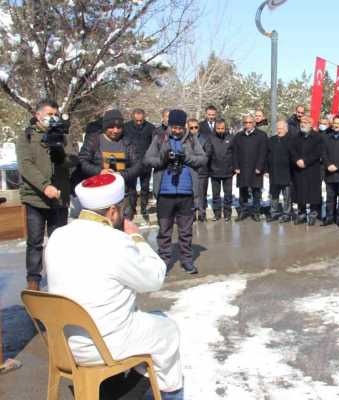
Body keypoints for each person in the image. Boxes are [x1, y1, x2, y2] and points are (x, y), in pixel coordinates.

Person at [45, 173, 183, 399]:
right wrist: (136, 238)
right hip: (104, 345)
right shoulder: (116, 242)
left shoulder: (57, 236)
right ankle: (170, 395)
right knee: (167, 330)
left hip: (65, 343)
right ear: (112, 211)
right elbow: (155, 278)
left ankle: (119, 391)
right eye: (122, 207)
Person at [16, 99, 78, 291]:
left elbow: (72, 161)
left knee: (58, 241)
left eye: (55, 114)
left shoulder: (63, 135)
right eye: (49, 114)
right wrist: (44, 186)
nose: (53, 118)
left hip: (59, 198)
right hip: (35, 198)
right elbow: (26, 165)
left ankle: (59, 277)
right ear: (38, 115)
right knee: (35, 242)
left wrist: (60, 150)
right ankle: (33, 279)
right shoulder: (26, 136)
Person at [145, 109, 207, 274]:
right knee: (164, 230)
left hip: (186, 193)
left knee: (185, 231)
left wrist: (186, 157)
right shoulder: (160, 138)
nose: (177, 131)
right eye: (174, 127)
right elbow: (148, 159)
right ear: (169, 125)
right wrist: (163, 159)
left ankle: (187, 260)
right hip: (165, 193)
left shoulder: (192, 140)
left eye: (180, 127)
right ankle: (164, 261)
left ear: (184, 126)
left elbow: (203, 158)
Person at [79, 109, 142, 221]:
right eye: (111, 127)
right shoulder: (93, 140)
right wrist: (99, 172)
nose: (115, 130)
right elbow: (83, 162)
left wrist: (122, 175)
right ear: (104, 127)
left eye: (119, 127)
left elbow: (138, 165)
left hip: (124, 196)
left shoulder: (129, 142)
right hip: (99, 196)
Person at [232, 114, 268, 221]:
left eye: (250, 122)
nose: (248, 125)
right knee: (243, 191)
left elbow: (263, 152)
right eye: (246, 122)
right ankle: (243, 211)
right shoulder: (238, 136)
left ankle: (256, 212)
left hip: (255, 168)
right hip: (242, 168)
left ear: (254, 123)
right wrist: (236, 166)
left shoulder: (261, 135)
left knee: (256, 191)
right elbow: (235, 152)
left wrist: (259, 167)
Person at [123, 108, 155, 220]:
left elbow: (154, 144)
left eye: (141, 121)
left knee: (144, 187)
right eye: (137, 121)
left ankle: (144, 208)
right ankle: (132, 208)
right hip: (131, 163)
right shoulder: (126, 127)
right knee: (131, 187)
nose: (139, 123)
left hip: (146, 162)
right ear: (133, 117)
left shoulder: (150, 128)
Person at [291, 116, 323, 225]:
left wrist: (306, 161)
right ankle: (302, 213)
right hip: (299, 168)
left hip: (312, 168)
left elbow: (318, 152)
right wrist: (297, 160)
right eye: (301, 122)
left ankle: (313, 213)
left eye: (305, 122)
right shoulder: (296, 137)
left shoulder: (317, 137)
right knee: (300, 191)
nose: (302, 124)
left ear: (311, 124)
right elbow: (292, 150)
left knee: (312, 192)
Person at [207, 119, 234, 221]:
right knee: (216, 195)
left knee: (228, 194)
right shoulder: (211, 138)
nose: (220, 130)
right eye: (218, 128)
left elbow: (235, 153)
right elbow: (208, 154)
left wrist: (234, 168)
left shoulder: (231, 138)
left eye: (222, 128)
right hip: (215, 171)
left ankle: (227, 214)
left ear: (225, 128)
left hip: (228, 171)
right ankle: (217, 214)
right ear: (215, 128)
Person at [267, 120, 293, 222]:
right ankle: (274, 212)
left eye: (281, 128)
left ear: (286, 129)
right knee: (274, 195)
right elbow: (267, 155)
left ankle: (287, 214)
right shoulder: (272, 140)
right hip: (274, 172)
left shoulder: (291, 140)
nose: (279, 130)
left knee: (287, 196)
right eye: (278, 128)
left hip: (286, 173)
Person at [189, 118, 212, 222]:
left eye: (196, 127)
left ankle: (202, 213)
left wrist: (196, 160)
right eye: (191, 127)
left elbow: (207, 154)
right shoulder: (184, 140)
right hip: (189, 170)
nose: (194, 129)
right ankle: (192, 213)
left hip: (202, 170)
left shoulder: (205, 139)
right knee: (191, 193)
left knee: (202, 193)